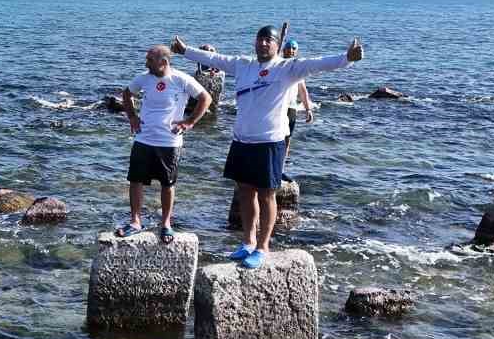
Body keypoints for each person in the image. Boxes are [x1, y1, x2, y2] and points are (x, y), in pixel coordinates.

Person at [173, 27, 363, 268]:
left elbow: (318, 64)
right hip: (242, 140)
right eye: (260, 39)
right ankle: (247, 242)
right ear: (255, 42)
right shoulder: (243, 64)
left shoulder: (287, 68)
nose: (264, 44)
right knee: (245, 192)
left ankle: (263, 247)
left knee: (266, 195)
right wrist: (184, 51)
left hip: (269, 142)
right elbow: (214, 59)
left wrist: (347, 58)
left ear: (276, 44)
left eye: (269, 40)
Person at [118, 44, 211, 243]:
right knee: (135, 180)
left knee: (167, 184)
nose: (146, 63)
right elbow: (126, 94)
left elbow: (206, 98)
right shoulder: (143, 78)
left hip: (170, 141)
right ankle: (135, 221)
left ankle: (166, 223)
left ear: (164, 62)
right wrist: (132, 117)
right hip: (143, 138)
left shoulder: (181, 79)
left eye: (150, 60)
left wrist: (190, 122)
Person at [280, 39, 314, 182]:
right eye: (288, 47)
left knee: (287, 140)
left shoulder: (299, 69)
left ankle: (280, 169)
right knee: (274, 138)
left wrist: (308, 109)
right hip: (278, 107)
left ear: (297, 51)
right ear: (283, 50)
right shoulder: (278, 65)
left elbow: (303, 91)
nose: (291, 50)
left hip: (292, 108)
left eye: (294, 48)